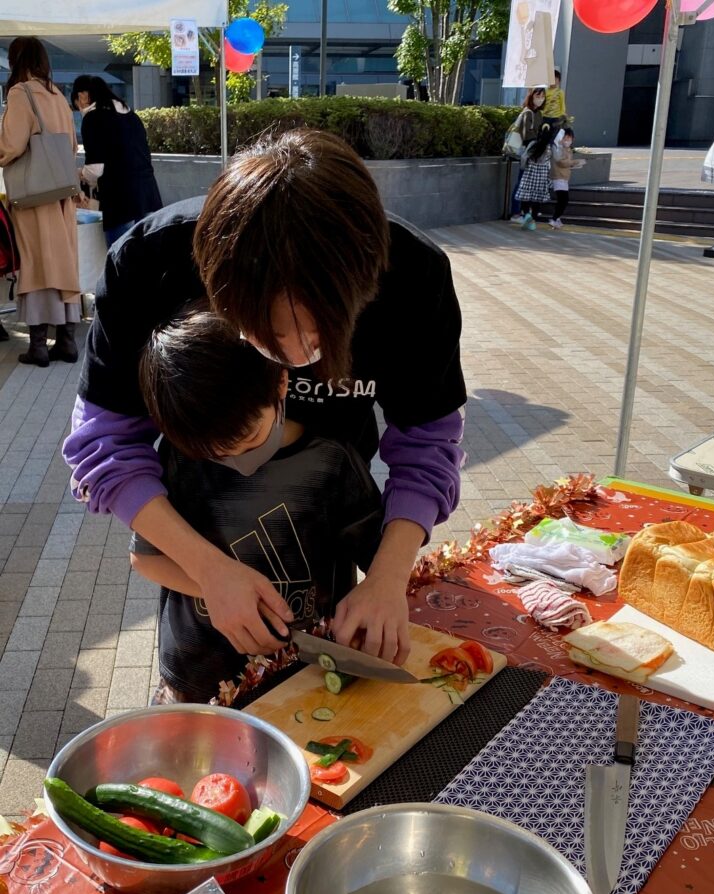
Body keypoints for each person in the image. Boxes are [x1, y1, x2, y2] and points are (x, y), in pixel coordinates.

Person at [63, 129, 466, 668]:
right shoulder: (149, 262)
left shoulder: (414, 277)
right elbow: (105, 446)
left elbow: (428, 442)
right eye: (266, 337)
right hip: (199, 548)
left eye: (322, 336)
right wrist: (207, 570)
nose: (298, 355)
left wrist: (390, 577)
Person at [132, 311, 383, 703]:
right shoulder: (180, 462)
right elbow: (146, 559)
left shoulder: (331, 463)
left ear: (281, 382)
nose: (234, 458)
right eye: (212, 453)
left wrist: (381, 599)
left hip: (307, 673)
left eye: (250, 437)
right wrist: (218, 589)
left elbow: (379, 561)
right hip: (197, 678)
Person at [0, 37, 80, 367]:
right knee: (63, 263)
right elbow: (73, 144)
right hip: (61, 192)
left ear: (17, 60)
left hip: (34, 195)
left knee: (35, 262)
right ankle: (67, 341)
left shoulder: (22, 93)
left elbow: (11, 144)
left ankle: (38, 346)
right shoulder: (56, 94)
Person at [70, 75, 163, 247]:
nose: (79, 108)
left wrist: (79, 174)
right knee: (147, 261)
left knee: (120, 263)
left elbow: (95, 169)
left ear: (83, 96)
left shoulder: (93, 118)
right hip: (149, 196)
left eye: (76, 103)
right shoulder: (131, 116)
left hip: (119, 201)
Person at [510, 86, 547, 219]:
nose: (540, 99)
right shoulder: (528, 113)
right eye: (538, 96)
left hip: (534, 152)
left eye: (542, 97)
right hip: (527, 151)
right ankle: (515, 211)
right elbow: (527, 134)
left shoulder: (539, 113)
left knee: (527, 182)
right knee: (522, 182)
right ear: (531, 97)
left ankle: (523, 211)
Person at [515, 123, 554, 230]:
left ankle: (526, 215)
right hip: (541, 176)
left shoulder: (533, 144)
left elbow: (524, 158)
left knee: (526, 197)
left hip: (529, 174)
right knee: (537, 200)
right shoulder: (549, 148)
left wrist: (523, 167)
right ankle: (532, 220)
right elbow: (550, 164)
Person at [548, 127, 579, 229]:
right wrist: (573, 163)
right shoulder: (558, 148)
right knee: (563, 200)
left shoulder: (567, 149)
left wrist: (573, 164)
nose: (568, 141)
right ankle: (554, 218)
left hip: (564, 177)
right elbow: (561, 162)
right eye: (566, 138)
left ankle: (557, 219)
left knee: (563, 200)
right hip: (558, 176)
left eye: (570, 138)